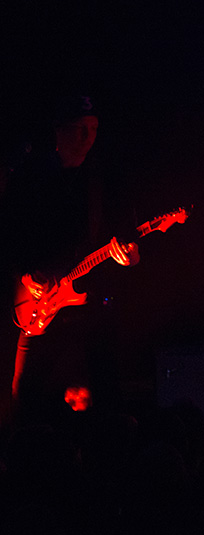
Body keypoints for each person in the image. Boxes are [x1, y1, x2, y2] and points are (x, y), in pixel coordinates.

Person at [0, 94, 139, 427]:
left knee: (108, 397)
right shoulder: (31, 179)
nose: (87, 137)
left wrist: (129, 256)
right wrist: (24, 278)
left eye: (93, 128)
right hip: (43, 303)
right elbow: (9, 236)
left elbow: (130, 242)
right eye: (79, 128)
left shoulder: (103, 181)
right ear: (58, 132)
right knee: (25, 396)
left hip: (92, 303)